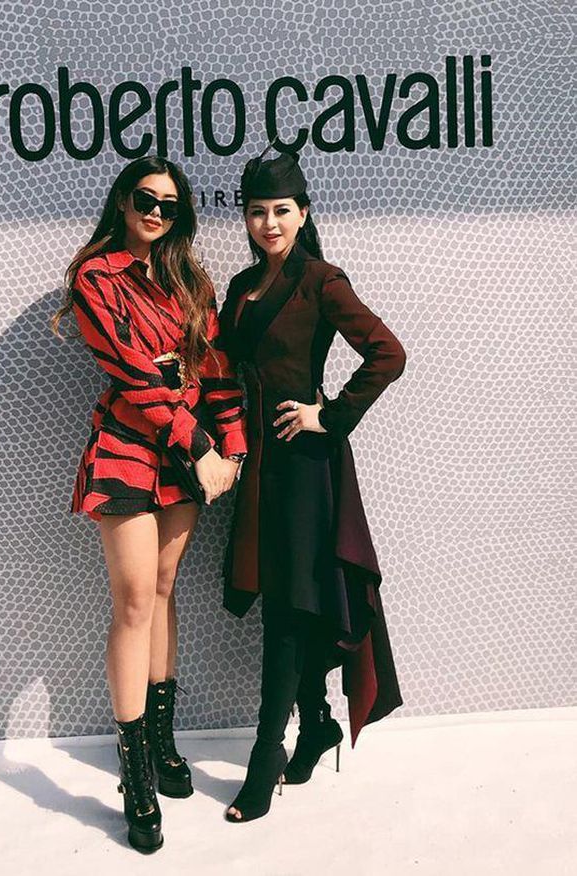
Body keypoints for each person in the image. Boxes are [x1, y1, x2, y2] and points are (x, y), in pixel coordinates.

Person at [50, 156, 248, 852]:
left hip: (191, 456)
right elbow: (135, 374)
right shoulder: (96, 276)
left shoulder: (191, 282)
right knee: (135, 600)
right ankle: (135, 773)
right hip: (130, 449)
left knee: (164, 589)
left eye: (170, 204)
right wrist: (200, 443)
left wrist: (234, 448)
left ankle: (163, 745)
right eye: (146, 198)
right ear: (122, 201)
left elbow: (215, 368)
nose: (157, 212)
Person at [218, 144, 407, 822]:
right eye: (257, 211)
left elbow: (388, 353)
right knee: (286, 598)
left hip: (305, 469)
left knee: (288, 609)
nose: (268, 223)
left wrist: (329, 415)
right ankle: (317, 724)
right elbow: (222, 364)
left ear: (303, 213)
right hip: (256, 467)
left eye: (281, 210)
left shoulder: (322, 281)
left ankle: (265, 756)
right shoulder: (242, 286)